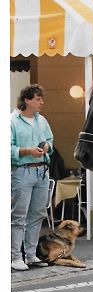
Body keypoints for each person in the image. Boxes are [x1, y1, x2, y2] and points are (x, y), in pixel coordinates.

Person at [11, 85, 54, 271]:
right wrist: (27, 150)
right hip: (22, 171)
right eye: (38, 99)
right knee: (18, 216)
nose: (42, 102)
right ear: (27, 100)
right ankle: (15, 257)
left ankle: (30, 255)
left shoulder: (42, 120)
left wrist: (46, 148)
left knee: (37, 215)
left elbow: (50, 141)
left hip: (42, 172)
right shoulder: (11, 121)